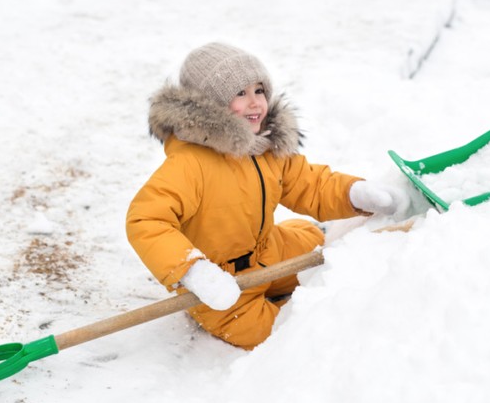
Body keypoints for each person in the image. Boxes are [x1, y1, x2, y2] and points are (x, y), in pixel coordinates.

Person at [126, 43, 408, 350]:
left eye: (259, 90)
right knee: (273, 333)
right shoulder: (190, 165)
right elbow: (146, 221)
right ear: (210, 105)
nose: (255, 103)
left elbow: (309, 183)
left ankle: (317, 237)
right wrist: (193, 272)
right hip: (222, 284)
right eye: (240, 94)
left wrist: (354, 194)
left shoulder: (263, 148)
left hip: (268, 251)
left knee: (321, 253)